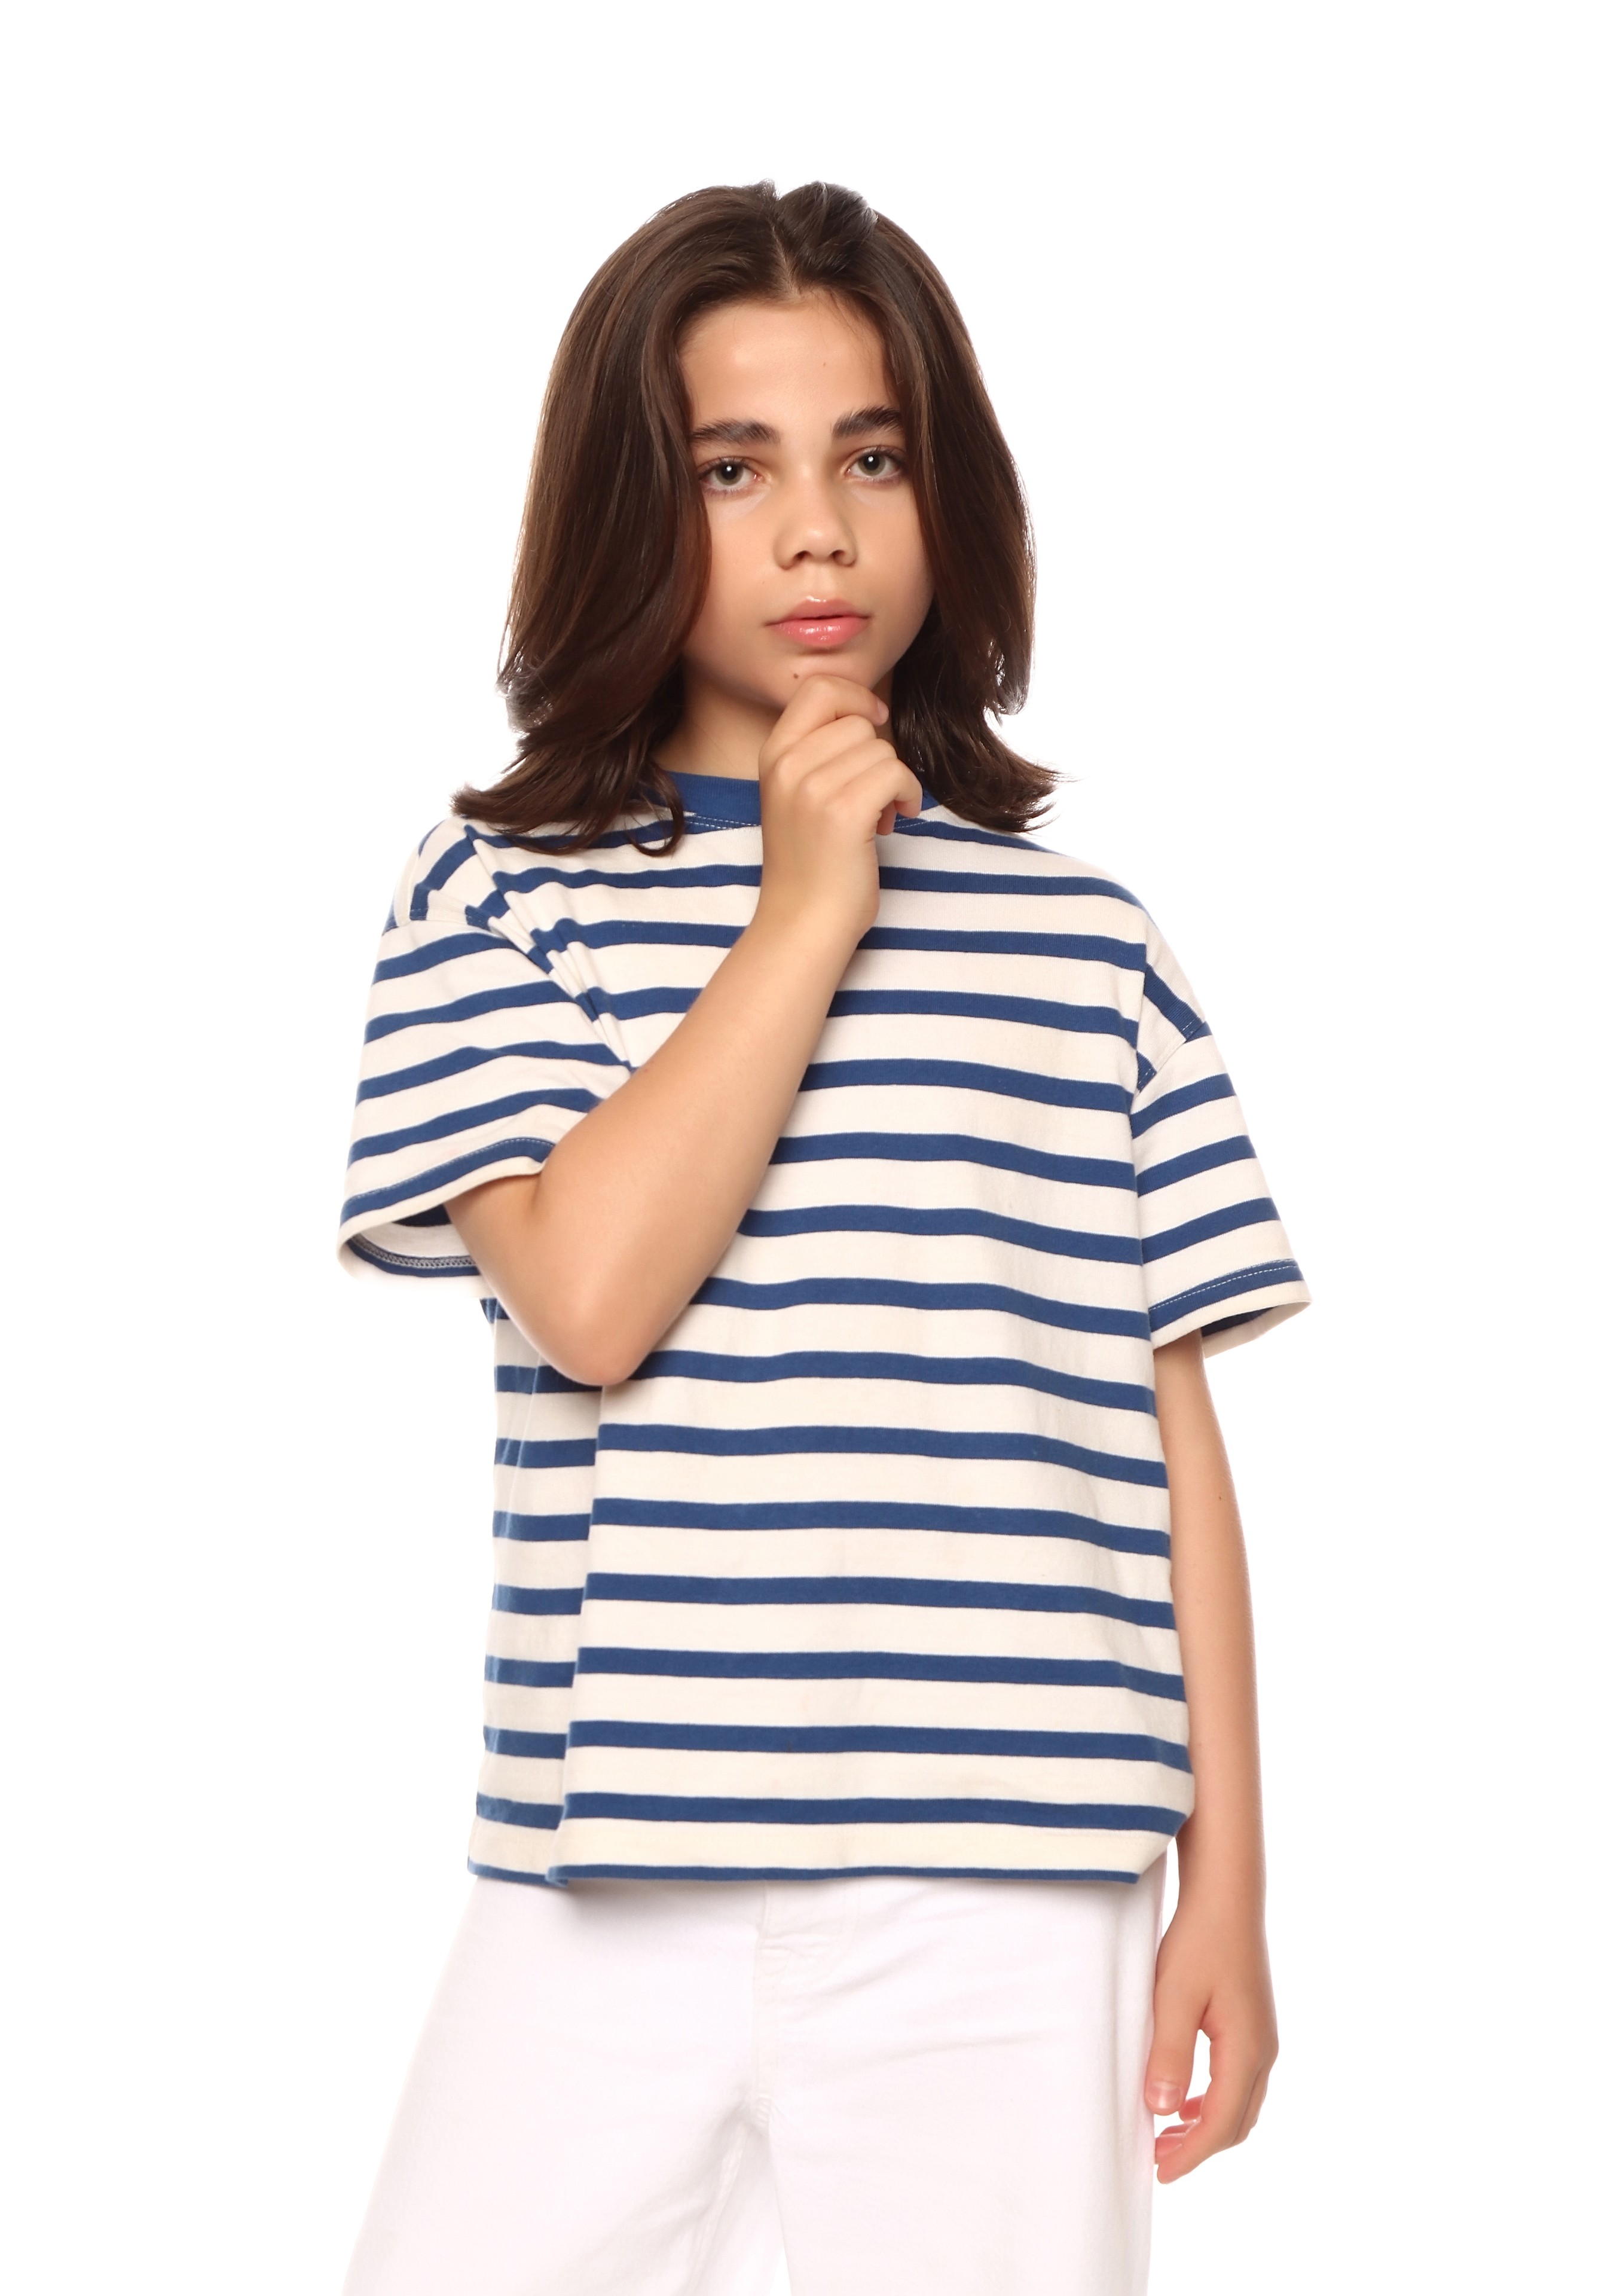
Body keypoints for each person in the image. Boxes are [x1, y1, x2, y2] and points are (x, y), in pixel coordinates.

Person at [335, 179, 1309, 2296]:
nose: (815, 533)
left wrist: (1225, 1878)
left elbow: (1166, 1431)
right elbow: (588, 1302)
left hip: (1016, 1867)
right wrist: (803, 911)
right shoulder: (500, 895)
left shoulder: (1082, 946)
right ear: (629, 505)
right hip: (607, 1860)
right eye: (732, 468)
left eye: (871, 459)